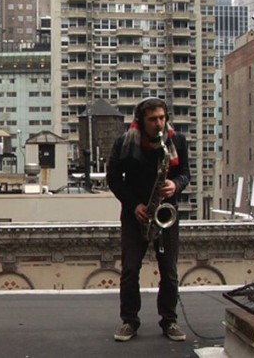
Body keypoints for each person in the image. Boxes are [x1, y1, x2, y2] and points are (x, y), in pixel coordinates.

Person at [107, 97, 190, 342]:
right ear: (141, 121)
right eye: (153, 119)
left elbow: (185, 173)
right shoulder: (124, 143)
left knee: (170, 272)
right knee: (130, 271)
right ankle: (129, 321)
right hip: (136, 216)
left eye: (162, 118)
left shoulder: (177, 141)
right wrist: (134, 205)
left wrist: (175, 184)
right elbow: (113, 178)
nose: (159, 124)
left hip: (165, 215)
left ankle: (170, 321)